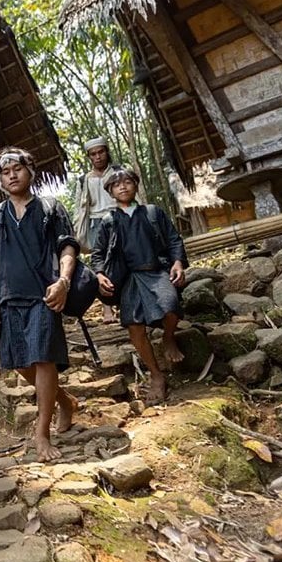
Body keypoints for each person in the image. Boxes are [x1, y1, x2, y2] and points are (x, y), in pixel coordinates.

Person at [0, 148, 80, 462]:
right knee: (21, 363)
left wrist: (63, 281)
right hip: (9, 298)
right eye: (5, 171)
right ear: (0, 179)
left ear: (30, 171)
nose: (11, 175)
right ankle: (64, 401)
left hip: (44, 293)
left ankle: (41, 432)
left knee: (43, 358)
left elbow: (67, 247)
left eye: (17, 168)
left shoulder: (50, 208)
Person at [90, 167, 188, 405]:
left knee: (171, 306)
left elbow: (174, 239)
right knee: (134, 326)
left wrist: (177, 262)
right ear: (111, 191)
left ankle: (168, 337)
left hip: (156, 271)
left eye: (127, 182)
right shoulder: (108, 221)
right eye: (116, 184)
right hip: (129, 279)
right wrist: (100, 274)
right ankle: (156, 375)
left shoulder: (153, 212)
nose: (122, 186)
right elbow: (98, 253)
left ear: (135, 185)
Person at [73, 138, 130, 323]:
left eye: (101, 152)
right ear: (89, 157)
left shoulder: (119, 172)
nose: (98, 157)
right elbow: (79, 207)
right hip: (97, 224)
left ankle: (127, 305)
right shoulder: (84, 179)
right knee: (102, 265)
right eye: (93, 154)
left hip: (119, 218)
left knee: (125, 260)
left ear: (107, 152)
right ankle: (107, 308)